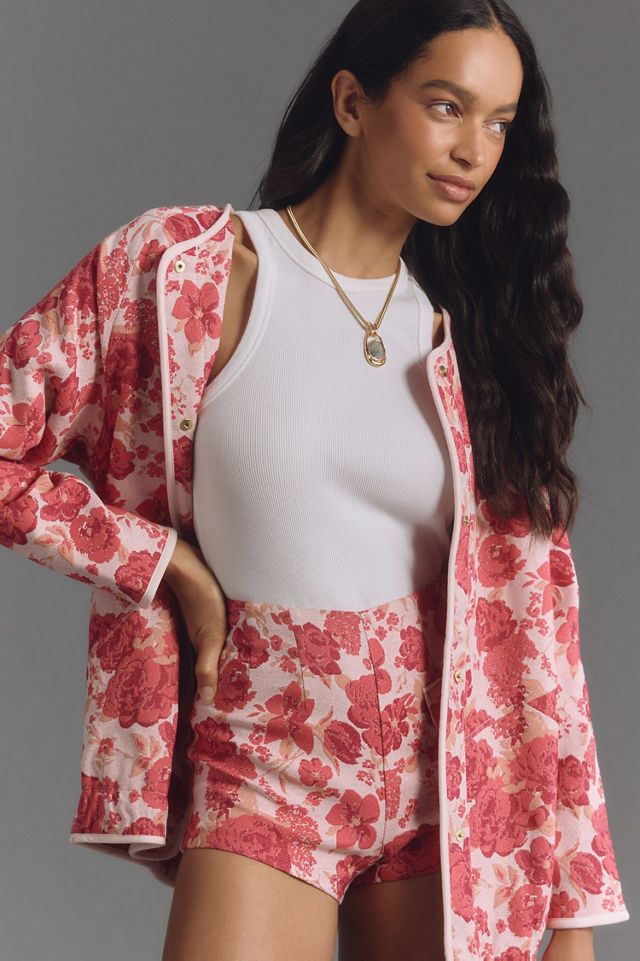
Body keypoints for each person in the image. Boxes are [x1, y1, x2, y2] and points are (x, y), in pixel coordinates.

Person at [0, 2, 630, 961]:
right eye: (447, 106)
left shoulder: (479, 334)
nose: (475, 150)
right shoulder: (186, 272)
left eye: (500, 123)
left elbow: (543, 644)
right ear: (352, 102)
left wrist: (572, 917)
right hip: (263, 752)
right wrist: (161, 562)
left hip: (449, 789)